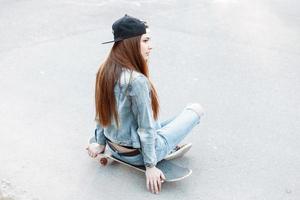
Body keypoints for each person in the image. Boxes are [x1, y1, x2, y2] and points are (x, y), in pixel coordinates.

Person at [86, 14, 204, 194]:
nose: (151, 46)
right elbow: (146, 128)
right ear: (131, 44)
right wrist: (150, 165)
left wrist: (101, 143)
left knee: (157, 121)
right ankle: (166, 145)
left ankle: (168, 142)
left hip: (114, 147)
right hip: (140, 155)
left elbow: (102, 114)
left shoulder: (104, 70)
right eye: (145, 40)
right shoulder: (137, 81)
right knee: (195, 109)